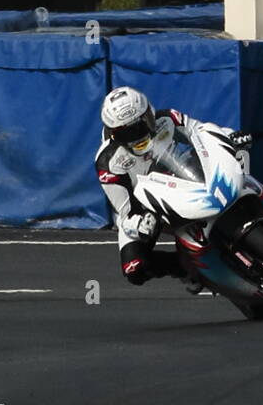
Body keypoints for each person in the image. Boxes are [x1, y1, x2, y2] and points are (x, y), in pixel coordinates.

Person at [95, 86, 251, 288]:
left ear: (149, 113)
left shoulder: (167, 119)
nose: (137, 136)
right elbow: (125, 209)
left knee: (237, 166)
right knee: (134, 268)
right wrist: (139, 223)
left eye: (141, 125)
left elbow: (200, 132)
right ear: (113, 134)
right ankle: (189, 270)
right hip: (147, 207)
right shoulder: (108, 162)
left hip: (186, 172)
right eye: (127, 132)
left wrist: (228, 135)